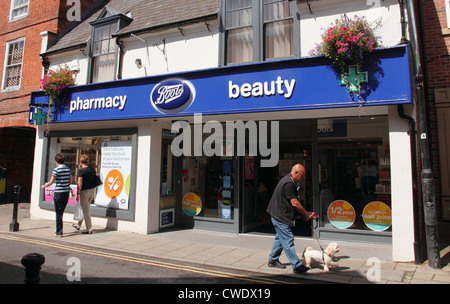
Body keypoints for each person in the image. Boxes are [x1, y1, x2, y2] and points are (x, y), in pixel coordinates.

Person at [266, 163, 317, 274]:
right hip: (280, 216)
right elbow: (294, 203)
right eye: (301, 175)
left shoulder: (288, 181)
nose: (302, 178)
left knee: (280, 239)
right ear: (296, 172)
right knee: (288, 239)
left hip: (278, 214)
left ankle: (273, 260)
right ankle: (296, 265)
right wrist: (306, 214)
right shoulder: (289, 183)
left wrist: (305, 213)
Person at [41, 153, 73, 237]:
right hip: (66, 192)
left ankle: (59, 232)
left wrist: (44, 186)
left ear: (56, 161)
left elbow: (51, 182)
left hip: (58, 192)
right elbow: (71, 181)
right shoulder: (68, 169)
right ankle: (58, 228)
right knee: (61, 212)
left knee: (58, 212)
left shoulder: (56, 170)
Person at [73, 154, 97, 234]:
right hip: (92, 191)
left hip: (84, 192)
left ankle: (89, 229)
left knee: (86, 210)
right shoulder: (92, 169)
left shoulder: (81, 171)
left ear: (80, 162)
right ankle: (78, 225)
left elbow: (79, 183)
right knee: (85, 208)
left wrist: (77, 193)